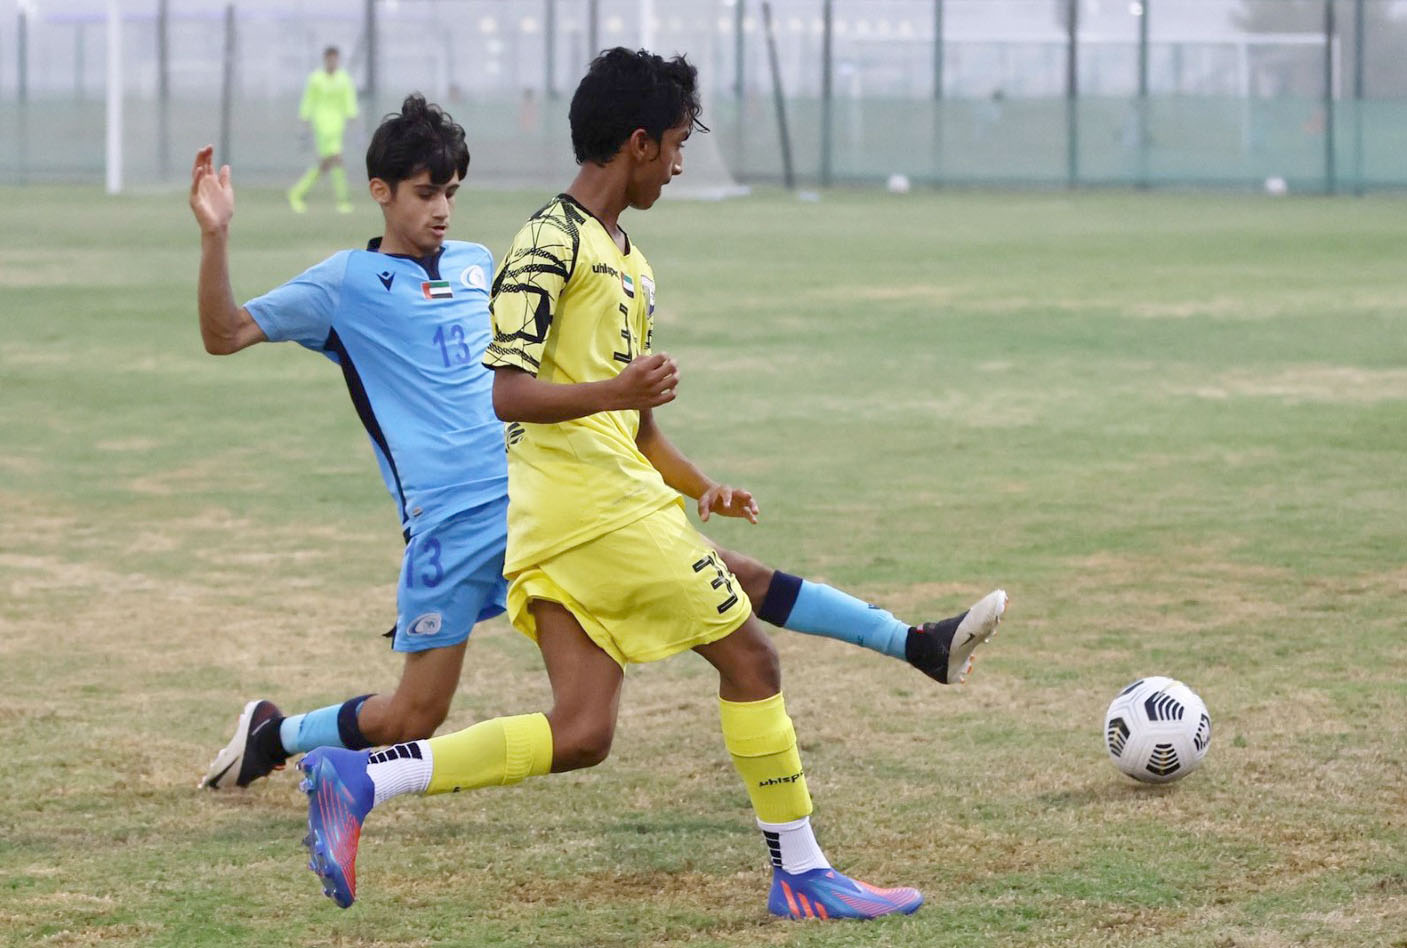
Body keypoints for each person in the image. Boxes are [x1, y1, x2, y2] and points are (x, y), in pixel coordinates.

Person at [295, 54, 1006, 919]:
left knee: (581, 733)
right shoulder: (547, 243)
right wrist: (615, 392)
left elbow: (635, 425)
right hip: (591, 511)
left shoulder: (629, 261)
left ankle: (361, 780)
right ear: (637, 143)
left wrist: (701, 483)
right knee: (751, 658)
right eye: (673, 145)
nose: (676, 164)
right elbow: (507, 393)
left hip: (578, 514)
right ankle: (801, 872)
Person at [287, 46, 358, 214]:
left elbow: (349, 99)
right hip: (321, 126)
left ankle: (297, 193)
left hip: (337, 126)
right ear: (325, 59)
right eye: (329, 59)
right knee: (335, 159)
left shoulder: (344, 79)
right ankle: (342, 200)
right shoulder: (316, 79)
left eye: (335, 59)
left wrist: (352, 115)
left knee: (327, 164)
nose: (332, 62)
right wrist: (304, 117)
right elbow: (309, 99)